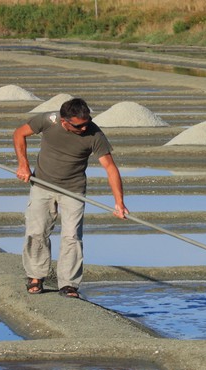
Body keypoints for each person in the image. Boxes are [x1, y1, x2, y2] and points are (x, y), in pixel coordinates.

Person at [13, 97, 129, 299]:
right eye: (79, 125)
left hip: (73, 190)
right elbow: (19, 133)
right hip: (42, 184)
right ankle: (35, 277)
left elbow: (110, 168)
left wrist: (119, 203)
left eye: (87, 122)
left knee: (72, 237)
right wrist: (23, 164)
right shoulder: (48, 121)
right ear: (64, 121)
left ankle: (68, 284)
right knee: (37, 232)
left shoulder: (95, 134)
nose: (85, 128)